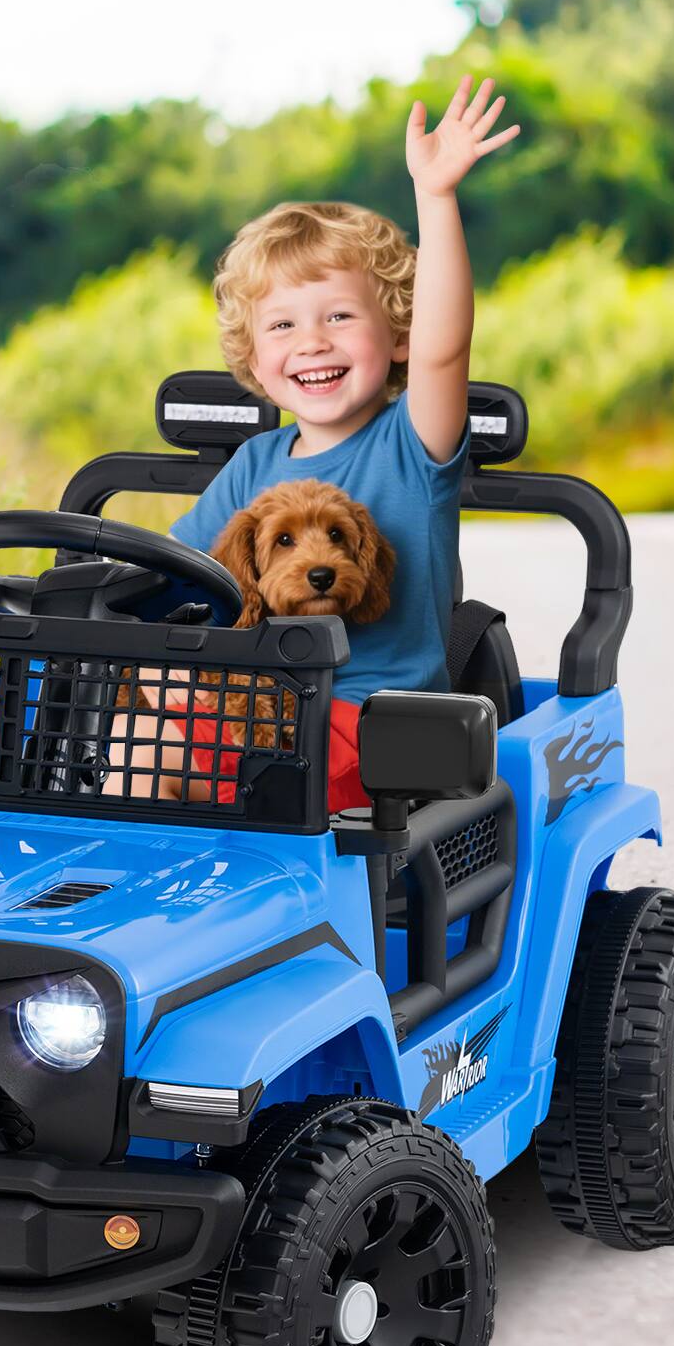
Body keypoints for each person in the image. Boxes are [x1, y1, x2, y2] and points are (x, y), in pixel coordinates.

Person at [109, 75, 520, 811]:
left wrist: (437, 195)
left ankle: (114, 902)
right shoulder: (254, 468)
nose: (312, 343)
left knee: (150, 746)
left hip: (369, 732)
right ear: (254, 360)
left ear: (396, 335)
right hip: (258, 716)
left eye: (338, 317)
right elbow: (172, 579)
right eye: (283, 325)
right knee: (124, 709)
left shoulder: (410, 449)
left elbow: (443, 350)